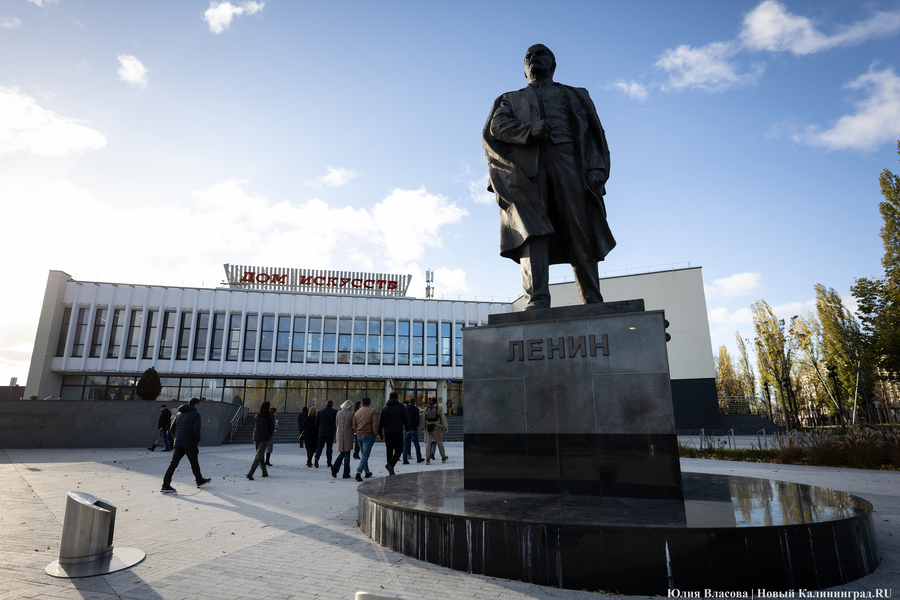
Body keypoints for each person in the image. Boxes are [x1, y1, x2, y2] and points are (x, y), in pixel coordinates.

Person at [483, 44, 614, 310]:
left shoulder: (576, 95)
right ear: (524, 70)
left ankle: (592, 300)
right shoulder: (510, 98)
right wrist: (530, 130)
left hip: (570, 164)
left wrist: (596, 168)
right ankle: (537, 301)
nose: (533, 59)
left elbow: (594, 135)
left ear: (553, 64)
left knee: (580, 229)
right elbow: (496, 127)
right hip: (529, 172)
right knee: (533, 233)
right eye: (528, 57)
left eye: (540, 54)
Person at [161, 397, 211, 493]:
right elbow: (196, 430)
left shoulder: (179, 414)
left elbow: (171, 429)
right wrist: (197, 439)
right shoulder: (196, 414)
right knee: (194, 462)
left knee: (173, 464)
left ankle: (165, 484)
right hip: (190, 443)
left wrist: (177, 438)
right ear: (196, 404)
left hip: (178, 443)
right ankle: (199, 481)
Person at [378, 391, 409, 476]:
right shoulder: (401, 407)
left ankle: (390, 469)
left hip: (388, 432)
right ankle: (391, 465)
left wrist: (379, 432)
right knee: (399, 450)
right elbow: (405, 418)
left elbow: (381, 421)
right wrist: (407, 428)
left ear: (389, 398)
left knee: (389, 450)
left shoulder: (384, 408)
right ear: (397, 398)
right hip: (398, 431)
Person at [246, 401, 274, 480]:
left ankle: (264, 472)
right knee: (259, 456)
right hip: (264, 438)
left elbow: (253, 426)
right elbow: (271, 427)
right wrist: (269, 435)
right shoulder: (270, 416)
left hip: (256, 437)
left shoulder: (256, 416)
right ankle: (250, 473)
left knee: (260, 455)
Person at [352, 396, 378, 481]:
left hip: (359, 435)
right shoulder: (372, 411)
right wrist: (374, 434)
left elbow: (354, 425)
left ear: (362, 404)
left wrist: (357, 432)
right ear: (369, 403)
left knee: (364, 454)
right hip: (368, 434)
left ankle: (367, 472)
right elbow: (374, 423)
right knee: (365, 455)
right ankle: (358, 472)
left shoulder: (357, 412)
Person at [331, 400, 355, 479]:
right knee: (347, 453)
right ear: (349, 406)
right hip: (348, 435)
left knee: (342, 452)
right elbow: (353, 425)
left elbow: (336, 424)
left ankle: (335, 467)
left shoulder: (338, 413)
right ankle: (345, 473)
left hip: (339, 434)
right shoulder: (352, 414)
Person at [424, 398, 449, 465]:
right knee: (439, 443)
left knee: (428, 444)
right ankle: (443, 457)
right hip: (437, 428)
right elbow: (443, 417)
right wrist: (446, 427)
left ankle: (427, 459)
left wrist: (424, 428)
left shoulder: (426, 408)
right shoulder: (439, 408)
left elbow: (423, 418)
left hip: (428, 428)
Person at [314, 399, 338, 468]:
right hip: (331, 432)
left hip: (322, 431)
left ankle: (317, 457)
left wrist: (319, 428)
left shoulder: (320, 412)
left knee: (319, 446)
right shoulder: (335, 412)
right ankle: (329, 462)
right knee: (329, 448)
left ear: (326, 404)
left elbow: (316, 422)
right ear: (332, 404)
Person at [402, 396, 423, 465]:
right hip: (413, 428)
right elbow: (417, 419)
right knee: (416, 444)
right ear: (414, 402)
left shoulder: (405, 409)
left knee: (405, 445)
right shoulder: (415, 409)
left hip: (406, 429)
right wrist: (416, 425)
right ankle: (419, 458)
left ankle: (404, 460)